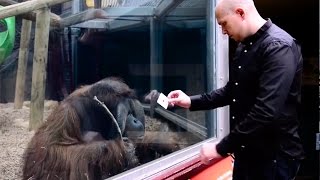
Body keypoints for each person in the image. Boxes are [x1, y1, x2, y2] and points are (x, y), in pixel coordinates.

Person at [167, 0, 304, 179]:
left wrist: (220, 148)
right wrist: (191, 101)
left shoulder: (278, 47)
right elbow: (232, 91)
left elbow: (265, 111)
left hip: (273, 160)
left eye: (224, 23)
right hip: (247, 155)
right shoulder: (244, 47)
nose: (223, 31)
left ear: (240, 13)